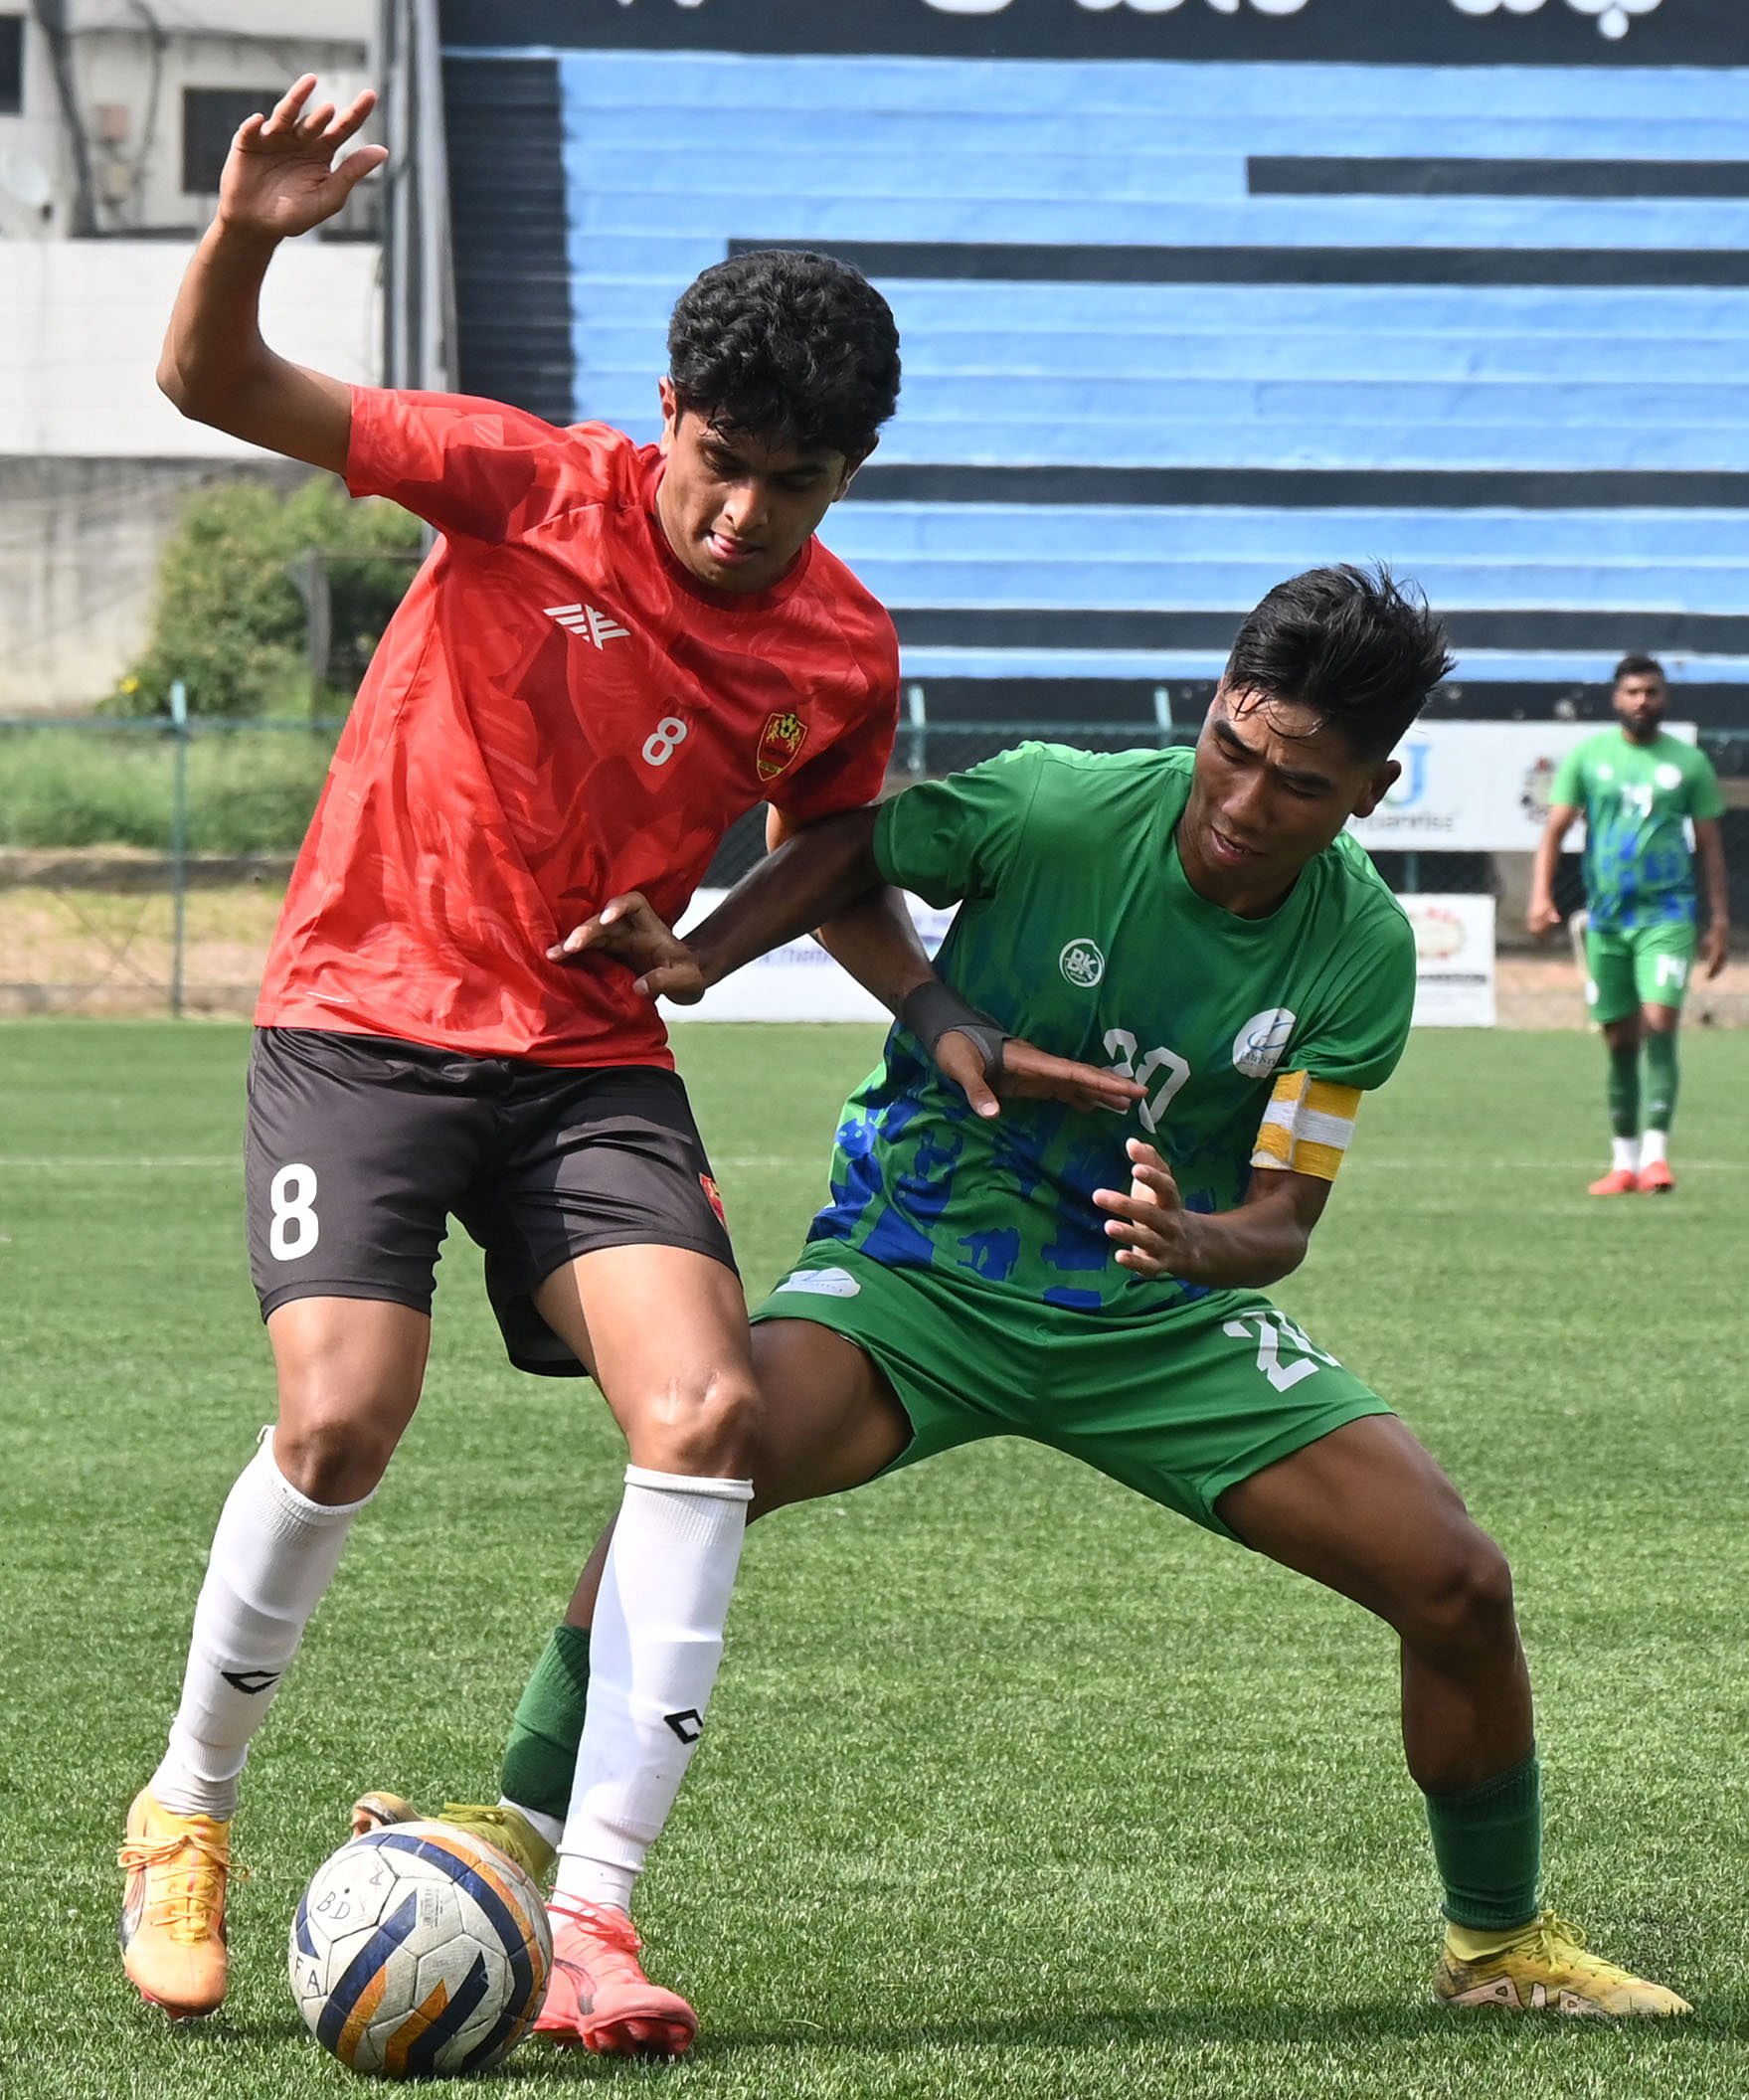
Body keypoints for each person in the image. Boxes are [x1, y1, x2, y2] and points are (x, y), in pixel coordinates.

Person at [369, 567, 1688, 2048]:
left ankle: (1494, 1942)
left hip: (1146, 1321)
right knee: (702, 1454)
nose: (1246, 800)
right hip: (920, 1267)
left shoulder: (1355, 950)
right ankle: (520, 1830)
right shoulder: (1058, 805)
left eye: (1300, 783)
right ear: (1209, 710)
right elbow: (846, 839)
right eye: (1232, 749)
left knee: (1457, 1585)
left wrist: (1200, 1246)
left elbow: (1282, 1221)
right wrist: (714, 956)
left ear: (1370, 791)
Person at [117, 76, 919, 2032]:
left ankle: (600, 1925)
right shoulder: (516, 482)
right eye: (720, 461)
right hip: (367, 1019)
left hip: (585, 1057)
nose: (741, 515)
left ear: (852, 475)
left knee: (707, 1416)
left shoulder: (840, 650)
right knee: (340, 1418)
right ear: (666, 411)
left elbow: (836, 823)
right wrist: (250, 233)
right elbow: (210, 384)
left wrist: (708, 946)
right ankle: (184, 1805)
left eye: (794, 482)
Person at [1528, 654, 1729, 1195]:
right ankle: (1624, 1161)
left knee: (1661, 1021)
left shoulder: (1688, 764)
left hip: (1668, 914)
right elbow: (1554, 831)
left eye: (1653, 692)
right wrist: (1541, 895)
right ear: (1618, 699)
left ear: (1666, 699)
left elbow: (1710, 847)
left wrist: (1720, 919)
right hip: (1609, 920)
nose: (1644, 701)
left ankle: (1657, 1157)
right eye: (1634, 692)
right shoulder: (1589, 758)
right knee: (1619, 1039)